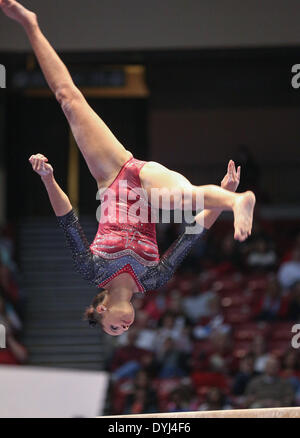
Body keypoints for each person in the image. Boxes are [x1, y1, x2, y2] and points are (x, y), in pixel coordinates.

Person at [0, 0, 255, 336]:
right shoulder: (153, 278)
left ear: (100, 309)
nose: (123, 328)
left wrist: (48, 178)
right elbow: (194, 233)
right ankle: (235, 201)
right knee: (177, 201)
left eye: (113, 328)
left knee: (68, 99)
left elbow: (67, 218)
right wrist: (224, 194)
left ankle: (30, 25)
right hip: (149, 188)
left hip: (115, 174)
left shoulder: (91, 269)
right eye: (121, 331)